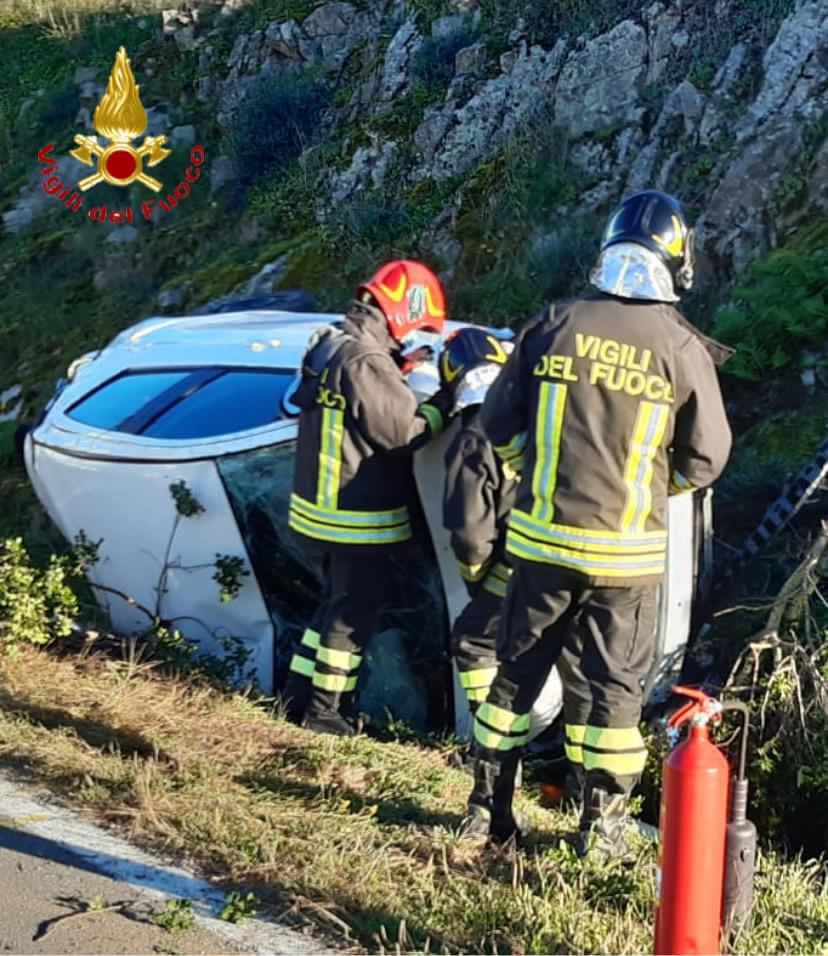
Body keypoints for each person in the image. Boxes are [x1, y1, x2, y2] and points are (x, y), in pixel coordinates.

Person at [462, 190, 733, 854]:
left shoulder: (555, 323)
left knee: (513, 680)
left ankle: (485, 811)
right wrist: (648, 485)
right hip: (626, 560)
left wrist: (538, 475)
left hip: (542, 547)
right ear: (676, 262)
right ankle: (602, 828)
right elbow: (707, 458)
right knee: (611, 696)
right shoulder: (680, 347)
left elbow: (494, 426)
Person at [282, 259, 454, 736]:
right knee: (350, 621)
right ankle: (323, 714)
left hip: (318, 512)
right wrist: (445, 402)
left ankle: (296, 700)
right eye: (416, 329)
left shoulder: (333, 342)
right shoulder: (367, 362)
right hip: (354, 517)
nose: (411, 341)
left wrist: (397, 371)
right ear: (403, 312)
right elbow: (405, 432)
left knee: (328, 611)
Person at [439, 327, 518, 716]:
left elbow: (470, 536)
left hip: (517, 564)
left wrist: (476, 580)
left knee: (473, 640)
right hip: (575, 555)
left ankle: (490, 745)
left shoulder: (472, 438)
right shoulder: (536, 415)